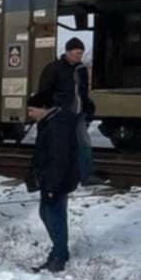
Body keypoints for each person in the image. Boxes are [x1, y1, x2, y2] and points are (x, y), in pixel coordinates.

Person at [28, 97, 82, 273]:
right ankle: (58, 252)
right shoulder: (51, 121)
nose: (29, 115)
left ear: (44, 107)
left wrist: (51, 186)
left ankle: (59, 256)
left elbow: (58, 160)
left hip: (57, 181)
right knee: (47, 214)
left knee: (54, 217)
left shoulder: (56, 126)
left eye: (31, 110)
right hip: (53, 179)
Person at [36, 38, 96, 183]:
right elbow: (44, 91)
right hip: (60, 114)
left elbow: (83, 92)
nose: (79, 56)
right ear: (68, 52)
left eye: (81, 53)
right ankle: (56, 175)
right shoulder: (53, 68)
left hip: (78, 114)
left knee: (84, 143)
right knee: (60, 146)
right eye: (77, 52)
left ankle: (86, 175)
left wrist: (88, 108)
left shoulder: (82, 70)